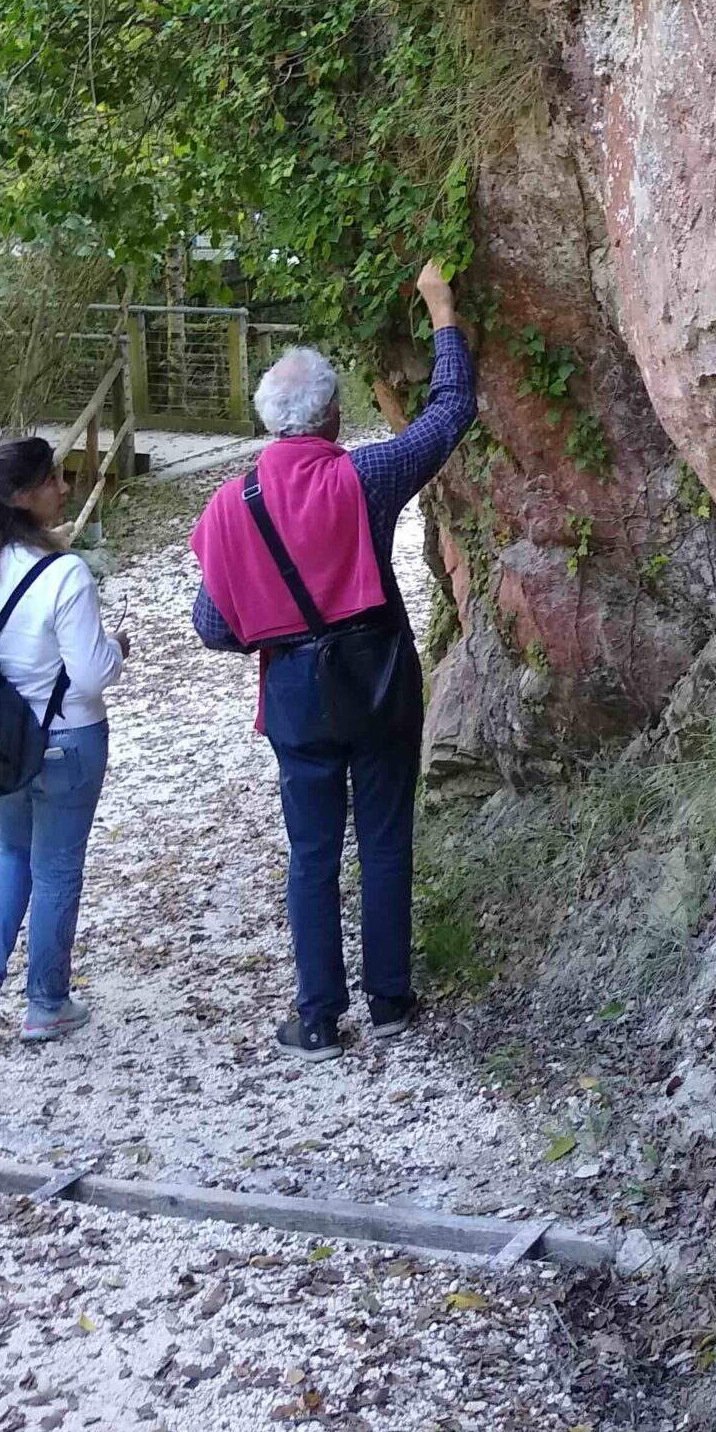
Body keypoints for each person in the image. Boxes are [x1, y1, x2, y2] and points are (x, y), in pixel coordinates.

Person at [190, 260, 475, 1058]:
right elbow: (450, 413)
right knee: (385, 840)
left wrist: (273, 618)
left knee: (312, 854)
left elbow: (213, 625)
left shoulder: (228, 506)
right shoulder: (363, 477)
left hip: (294, 697)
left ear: (269, 423)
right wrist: (441, 310)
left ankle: (316, 1016)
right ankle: (389, 1002)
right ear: (332, 417)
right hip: (378, 683)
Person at [0, 435, 129, 1046]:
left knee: (11, 852)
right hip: (67, 737)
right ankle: (46, 1002)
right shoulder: (63, 573)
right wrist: (120, 652)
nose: (64, 489)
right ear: (22, 497)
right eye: (52, 481)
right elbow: (92, 674)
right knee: (57, 868)